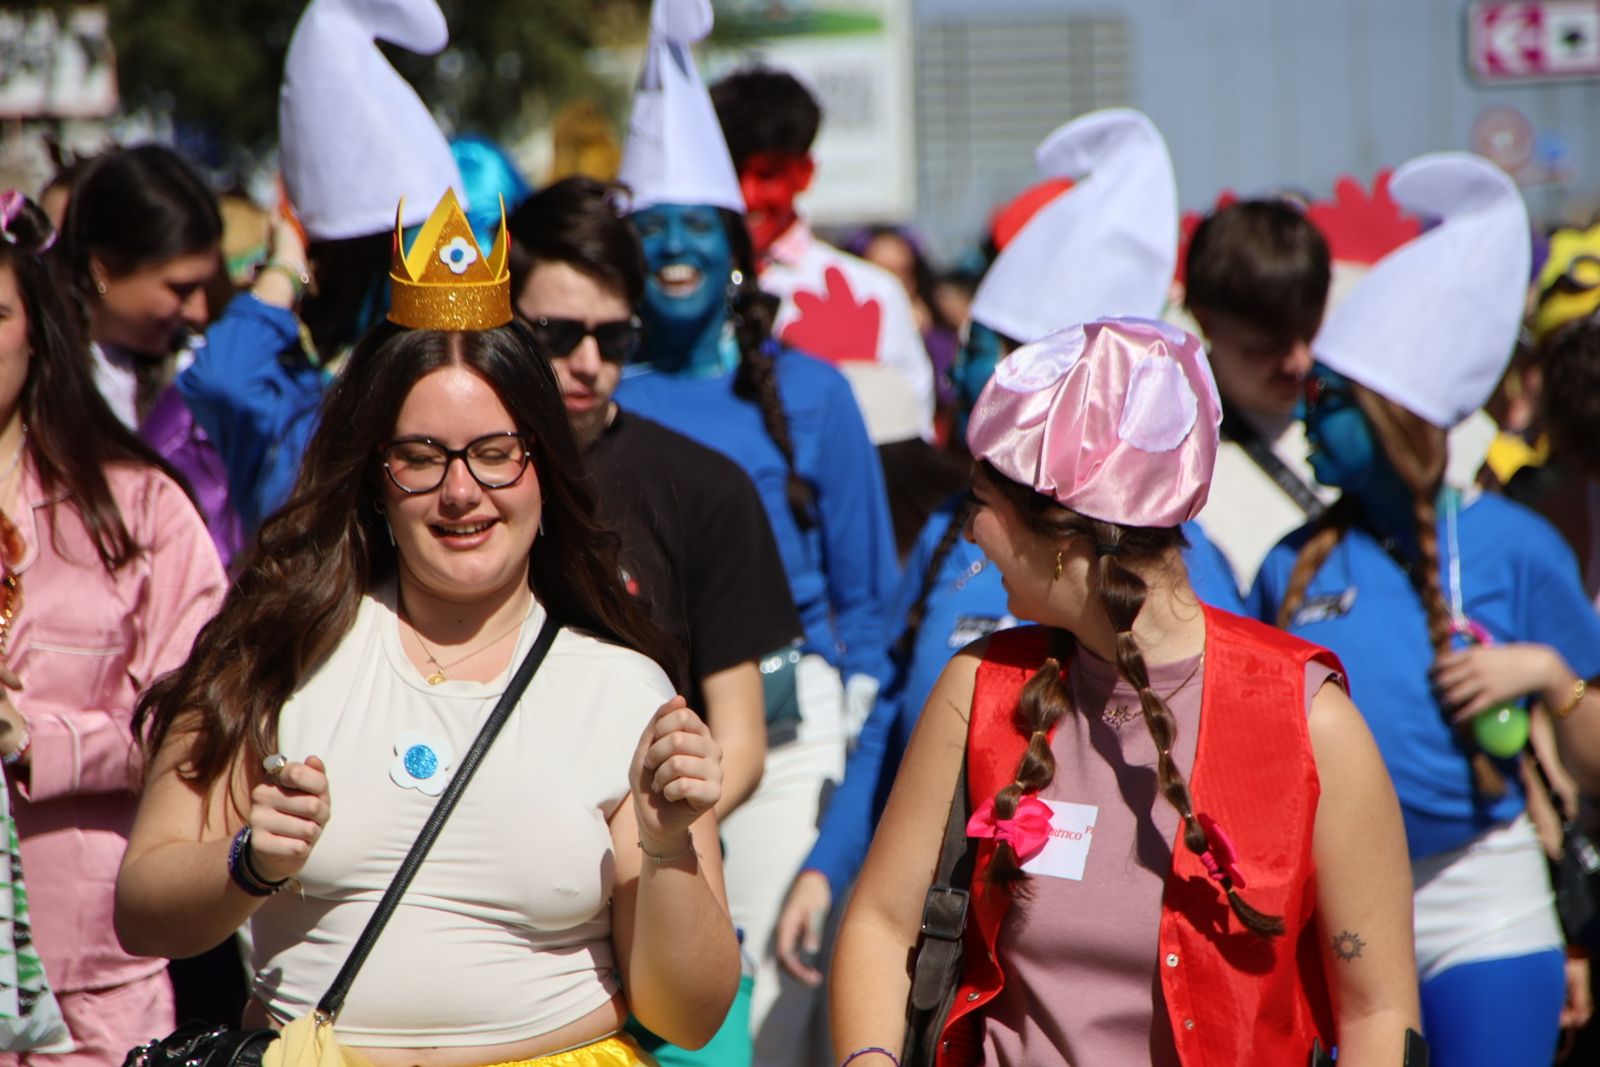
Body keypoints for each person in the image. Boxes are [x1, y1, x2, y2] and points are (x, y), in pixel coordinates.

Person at [115, 189, 740, 1067]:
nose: (460, 492)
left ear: (544, 470)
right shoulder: (272, 651)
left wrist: (670, 844)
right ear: (373, 474)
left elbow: (690, 1015)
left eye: (494, 453)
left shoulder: (626, 687)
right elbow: (142, 908)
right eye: (421, 457)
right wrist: (250, 860)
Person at [831, 319, 1421, 1066]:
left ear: (1067, 528)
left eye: (981, 502)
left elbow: (1379, 1009)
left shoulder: (1313, 721)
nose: (970, 531)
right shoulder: (977, 687)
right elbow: (881, 923)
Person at [1250, 154, 1600, 1066]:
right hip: (1333, 918)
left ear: (1391, 411)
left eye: (1327, 404)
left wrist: (1549, 674)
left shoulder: (1517, 544)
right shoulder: (1287, 565)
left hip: (1484, 902)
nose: (1305, 423)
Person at [614, 7, 897, 1062]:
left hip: (786, 742)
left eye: (698, 225)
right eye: (652, 229)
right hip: (627, 737)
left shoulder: (814, 396)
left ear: (733, 247)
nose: (675, 250)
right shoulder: (584, 397)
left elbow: (865, 600)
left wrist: (854, 756)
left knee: (774, 1014)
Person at [509, 174, 804, 1066]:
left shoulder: (705, 488)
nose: (587, 361)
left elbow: (741, 738)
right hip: (511, 915)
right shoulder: (452, 496)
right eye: (556, 335)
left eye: (614, 335)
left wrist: (655, 832)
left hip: (667, 875)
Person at [0, 191, 226, 1066]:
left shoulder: (140, 510)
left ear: (39, 330)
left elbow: (197, 721)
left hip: (90, 982)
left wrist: (37, 738)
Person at [710, 65, 935, 437]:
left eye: (767, 174)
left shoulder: (873, 293)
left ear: (805, 173)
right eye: (732, 171)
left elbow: (910, 450)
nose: (746, 195)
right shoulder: (675, 287)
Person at [50, 144, 248, 564]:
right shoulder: (36, 374)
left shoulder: (194, 368)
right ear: (103, 267)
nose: (198, 309)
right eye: (179, 289)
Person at [1183, 199, 1337, 584]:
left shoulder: (1366, 413)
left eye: (1310, 333)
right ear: (1205, 320)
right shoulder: (1170, 455)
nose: (1299, 362)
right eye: (1269, 347)